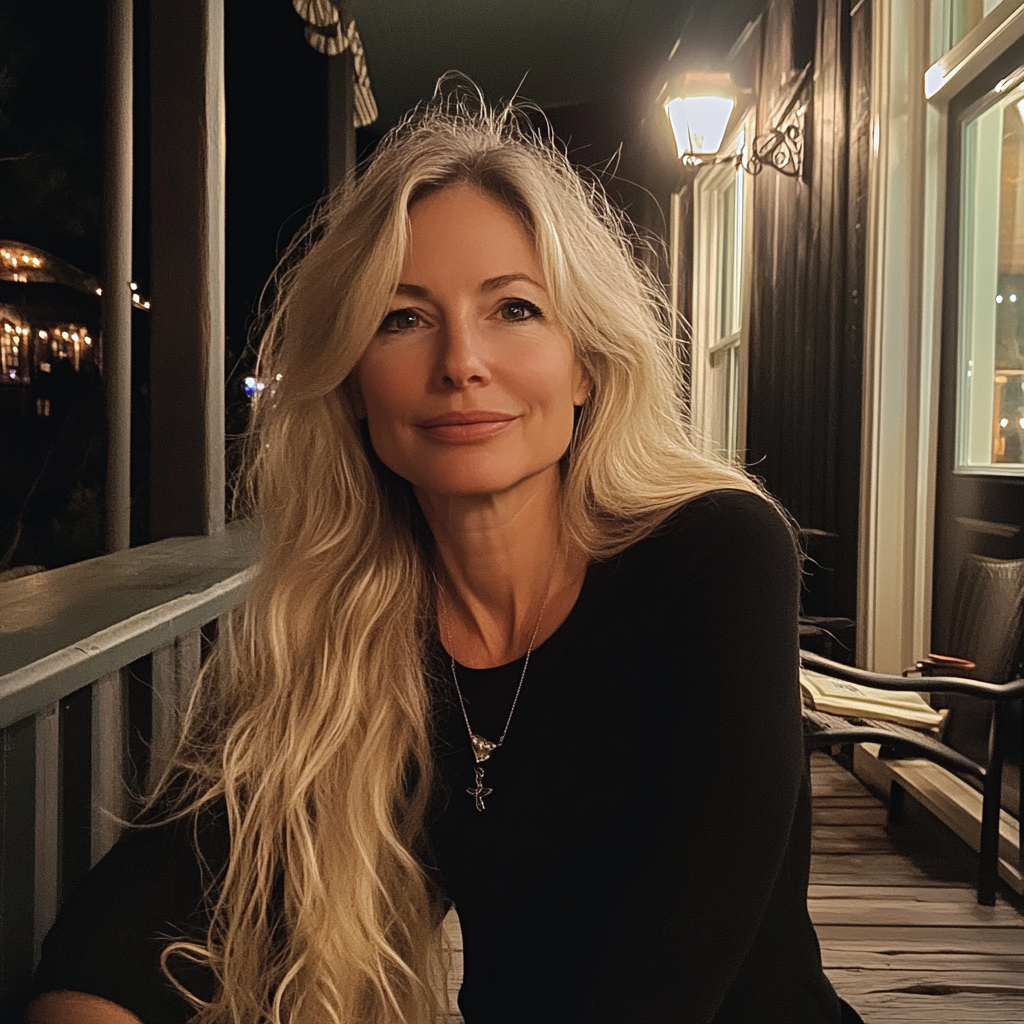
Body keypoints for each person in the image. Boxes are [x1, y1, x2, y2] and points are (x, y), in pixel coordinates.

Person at [28, 95, 865, 1024]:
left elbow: (672, 969)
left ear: (585, 364)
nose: (462, 362)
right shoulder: (345, 625)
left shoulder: (714, 555)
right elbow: (139, 913)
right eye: (402, 319)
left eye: (514, 308)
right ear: (351, 383)